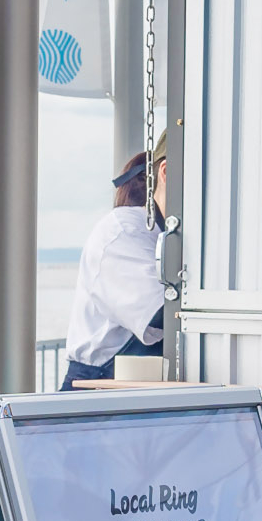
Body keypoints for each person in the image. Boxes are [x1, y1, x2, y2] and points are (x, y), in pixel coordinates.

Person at [63, 149, 170, 385]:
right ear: (162, 175)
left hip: (123, 382)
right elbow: (159, 313)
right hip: (96, 385)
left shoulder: (158, 234)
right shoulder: (124, 229)